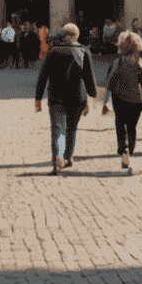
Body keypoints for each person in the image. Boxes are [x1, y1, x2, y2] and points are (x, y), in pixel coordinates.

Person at [34, 22, 98, 176]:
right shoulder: (83, 51)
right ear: (76, 36)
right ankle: (68, 158)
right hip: (77, 97)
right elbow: (89, 78)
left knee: (57, 129)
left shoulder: (53, 51)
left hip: (56, 96)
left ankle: (57, 159)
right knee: (71, 128)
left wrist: (38, 98)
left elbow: (42, 76)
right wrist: (92, 95)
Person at [101, 31, 142, 173]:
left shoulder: (117, 62)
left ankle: (123, 148)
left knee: (120, 124)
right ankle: (130, 151)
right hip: (136, 102)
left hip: (119, 100)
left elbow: (109, 84)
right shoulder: (139, 63)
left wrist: (106, 103)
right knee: (132, 127)